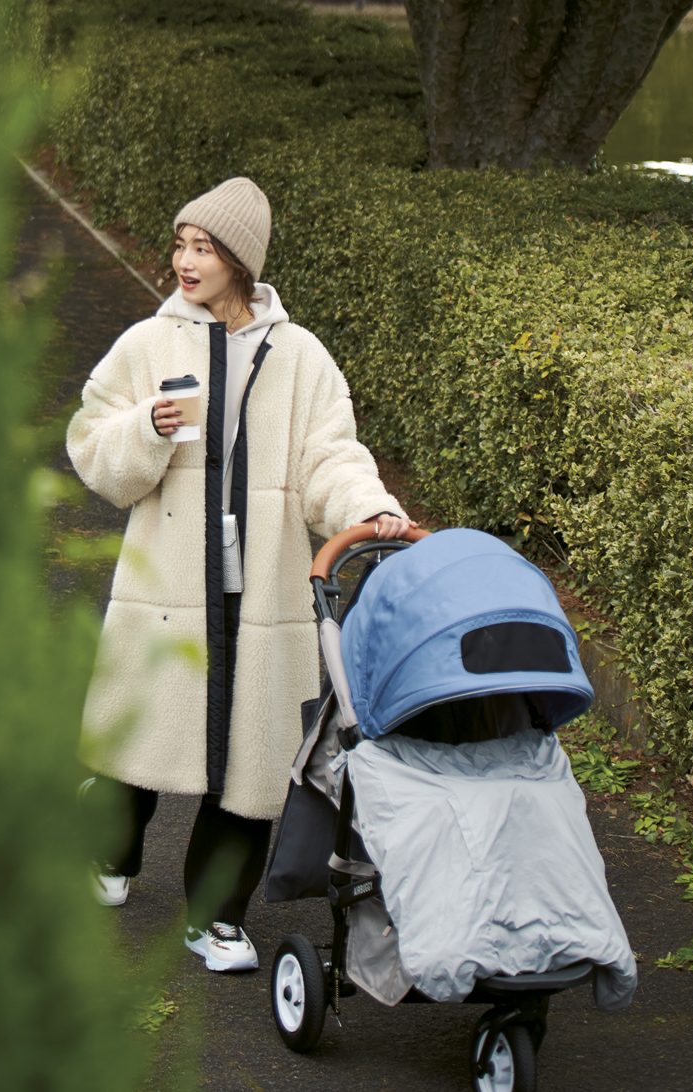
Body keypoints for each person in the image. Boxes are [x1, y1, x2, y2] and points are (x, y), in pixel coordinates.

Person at [66, 176, 412, 972]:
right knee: (142, 747)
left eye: (203, 248)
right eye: (181, 244)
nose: (185, 261)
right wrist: (143, 430)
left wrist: (371, 510)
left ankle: (215, 918)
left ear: (240, 261)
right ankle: (110, 855)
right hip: (169, 584)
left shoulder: (299, 357)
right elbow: (92, 442)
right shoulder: (149, 344)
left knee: (251, 764)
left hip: (262, 589)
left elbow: (332, 455)